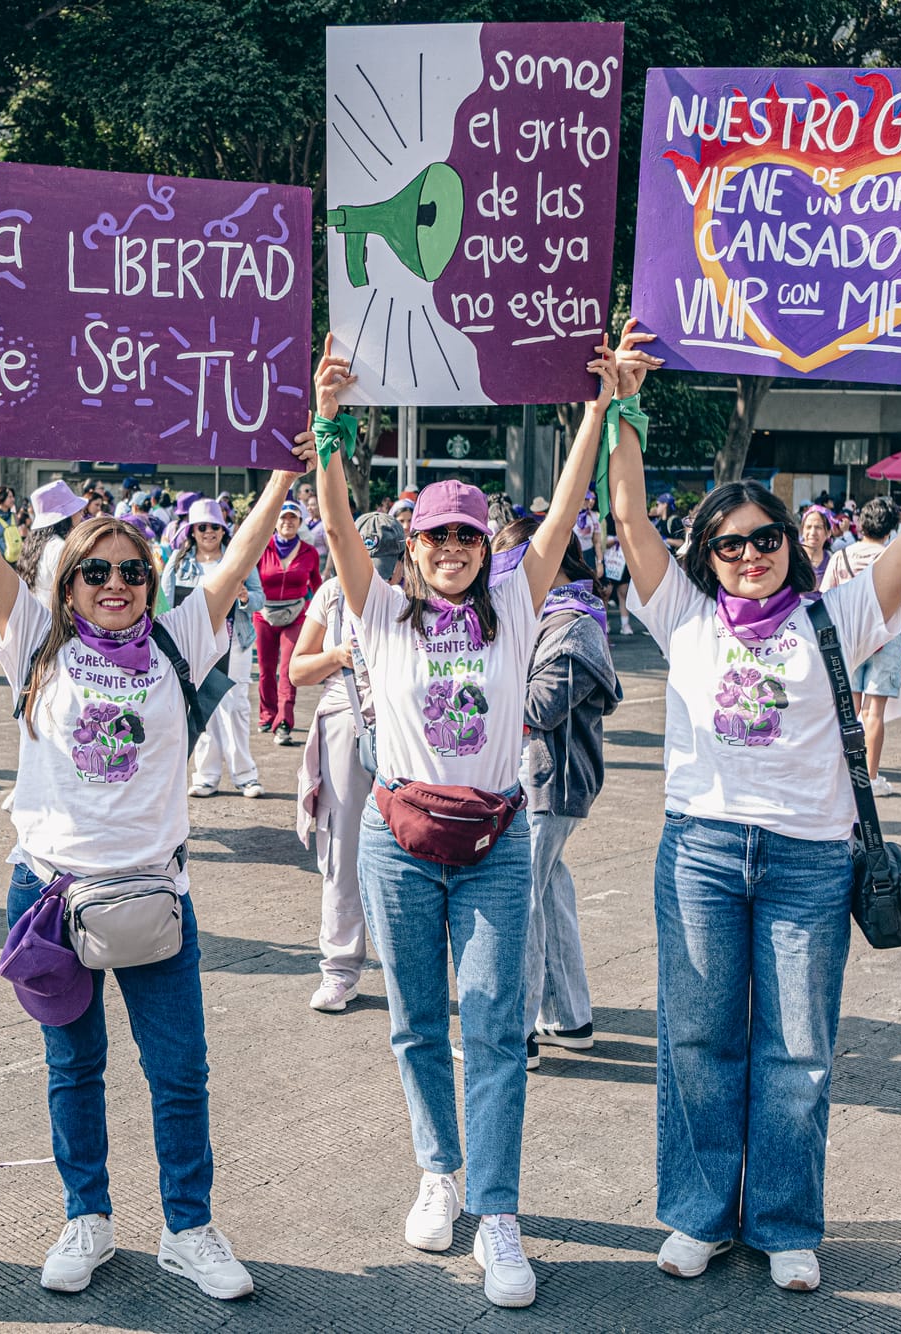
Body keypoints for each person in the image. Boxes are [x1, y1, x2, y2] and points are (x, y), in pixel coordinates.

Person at [613, 338, 901, 1294]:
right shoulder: (680, 614)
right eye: (730, 544)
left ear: (788, 545)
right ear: (707, 558)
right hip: (703, 853)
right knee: (696, 1040)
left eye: (765, 539)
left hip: (808, 858)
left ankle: (786, 1222)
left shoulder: (834, 615)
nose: (750, 555)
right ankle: (699, 1215)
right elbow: (629, 514)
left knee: (798, 1050)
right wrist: (625, 410)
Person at [0, 405, 297, 1305]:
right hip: (50, 893)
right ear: (70, 582)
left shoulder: (180, 636)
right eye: (96, 571)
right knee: (73, 1066)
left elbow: (242, 554)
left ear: (152, 577)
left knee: (179, 1071)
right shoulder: (35, 644)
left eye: (133, 570)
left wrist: (288, 465)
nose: (116, 583)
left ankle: (188, 1226)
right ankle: (85, 1216)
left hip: (155, 892)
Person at [310, 330, 637, 1310]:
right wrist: (329, 427)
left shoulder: (514, 597)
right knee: (414, 1022)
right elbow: (332, 527)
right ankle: (436, 1172)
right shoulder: (379, 612)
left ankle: (496, 1210)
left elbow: (571, 501)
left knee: (491, 1026)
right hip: (395, 839)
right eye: (433, 536)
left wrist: (598, 406)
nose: (451, 549)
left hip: (497, 837)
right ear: (409, 547)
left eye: (465, 534)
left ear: (487, 543)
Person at [494, 515, 619, 1067]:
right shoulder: (552, 615)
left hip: (549, 781)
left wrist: (478, 682)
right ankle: (569, 1018)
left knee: (519, 902)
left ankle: (515, 1036)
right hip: (545, 779)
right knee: (548, 893)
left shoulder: (573, 623)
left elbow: (540, 706)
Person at [290, 512, 401, 1013]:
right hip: (346, 725)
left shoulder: (414, 593)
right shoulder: (332, 593)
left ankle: (410, 973)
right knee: (342, 850)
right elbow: (296, 670)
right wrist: (338, 655)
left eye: (388, 564)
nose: (380, 573)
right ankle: (340, 969)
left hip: (409, 729)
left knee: (418, 853)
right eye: (370, 562)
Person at [819, 497, 901, 794]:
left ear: (860, 524)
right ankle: (871, 778)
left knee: (847, 709)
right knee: (874, 713)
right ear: (891, 526)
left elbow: (826, 599)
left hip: (849, 641)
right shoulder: (897, 558)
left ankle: (842, 771)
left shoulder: (841, 556)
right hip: (886, 640)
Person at [166, 498, 265, 799]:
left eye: (214, 527)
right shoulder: (178, 563)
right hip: (195, 646)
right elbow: (165, 604)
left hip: (234, 643)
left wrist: (246, 597)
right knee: (201, 707)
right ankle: (206, 776)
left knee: (235, 707)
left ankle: (245, 775)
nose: (208, 532)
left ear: (224, 531)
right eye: (201, 527)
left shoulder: (239, 561)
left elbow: (261, 600)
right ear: (192, 531)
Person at [254, 500, 320, 745]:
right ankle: (266, 714)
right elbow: (247, 579)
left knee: (287, 671)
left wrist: (318, 616)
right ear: (276, 522)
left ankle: (283, 722)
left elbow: (317, 587)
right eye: (283, 518)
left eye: (293, 518)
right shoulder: (262, 548)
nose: (287, 522)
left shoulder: (309, 552)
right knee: (266, 670)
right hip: (264, 614)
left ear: (300, 523)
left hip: (295, 615)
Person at [19, 479, 87, 610]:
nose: (81, 515)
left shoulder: (34, 543)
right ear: (65, 517)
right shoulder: (58, 547)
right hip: (55, 621)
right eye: (77, 511)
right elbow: (68, 592)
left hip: (38, 617)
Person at [799, 506, 833, 582]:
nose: (813, 533)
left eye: (818, 527)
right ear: (802, 531)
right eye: (808, 527)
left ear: (828, 533)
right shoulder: (791, 558)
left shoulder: (833, 562)